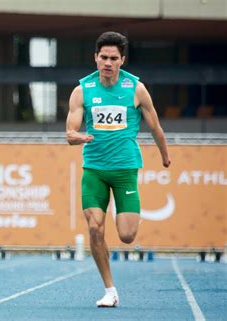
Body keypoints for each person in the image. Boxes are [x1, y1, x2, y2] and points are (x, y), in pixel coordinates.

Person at [66, 31, 170, 307]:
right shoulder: (82, 90)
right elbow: (70, 132)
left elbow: (155, 127)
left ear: (122, 60)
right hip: (95, 170)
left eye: (113, 58)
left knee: (126, 236)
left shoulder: (136, 89)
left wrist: (165, 156)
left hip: (125, 168)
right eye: (103, 57)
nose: (108, 62)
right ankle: (110, 289)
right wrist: (78, 137)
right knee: (95, 228)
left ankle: (124, 209)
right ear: (96, 58)